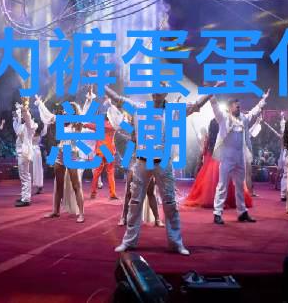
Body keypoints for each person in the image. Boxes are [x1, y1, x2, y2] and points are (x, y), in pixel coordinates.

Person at [106, 83, 215, 256]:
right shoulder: (139, 108)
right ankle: (129, 241)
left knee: (170, 203)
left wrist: (212, 90)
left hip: (163, 163)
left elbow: (196, 105)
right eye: (154, 90)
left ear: (165, 93)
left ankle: (176, 243)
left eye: (160, 90)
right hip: (142, 162)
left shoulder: (173, 111)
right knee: (135, 202)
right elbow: (118, 99)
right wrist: (103, 86)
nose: (156, 92)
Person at [210, 89, 270, 225]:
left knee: (240, 186)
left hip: (240, 156)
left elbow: (254, 111)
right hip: (227, 157)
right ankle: (217, 213)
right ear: (230, 107)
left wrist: (263, 99)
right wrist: (211, 92)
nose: (238, 107)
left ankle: (242, 212)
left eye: (239, 106)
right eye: (236, 106)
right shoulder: (223, 117)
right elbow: (214, 106)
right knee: (222, 185)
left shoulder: (243, 118)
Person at [36, 92, 92, 223]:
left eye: (67, 111)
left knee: (76, 185)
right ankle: (55, 211)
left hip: (71, 154)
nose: (64, 112)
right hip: (60, 153)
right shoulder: (62, 122)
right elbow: (49, 116)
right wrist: (40, 104)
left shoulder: (78, 123)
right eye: (64, 111)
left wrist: (88, 100)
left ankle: (81, 213)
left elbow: (85, 114)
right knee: (58, 184)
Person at [13, 102, 37, 207]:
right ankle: (24, 196)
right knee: (23, 175)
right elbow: (16, 128)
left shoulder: (30, 125)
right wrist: (16, 117)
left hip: (24, 153)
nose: (22, 116)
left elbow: (27, 118)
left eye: (22, 114)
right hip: (21, 153)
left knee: (25, 176)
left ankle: (26, 199)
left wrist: (24, 109)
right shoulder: (23, 126)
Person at [31, 121, 47, 195]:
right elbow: (45, 130)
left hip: (33, 152)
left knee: (33, 169)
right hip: (37, 152)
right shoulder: (40, 133)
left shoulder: (31, 133)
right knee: (38, 169)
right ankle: (38, 186)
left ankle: (35, 187)